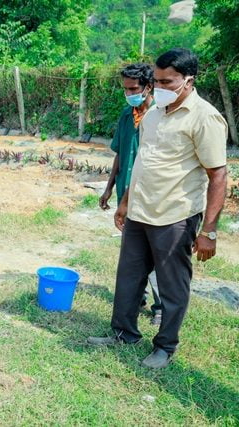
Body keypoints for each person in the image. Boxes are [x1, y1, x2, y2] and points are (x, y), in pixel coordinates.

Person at [88, 48, 228, 369]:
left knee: (171, 284)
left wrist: (209, 230)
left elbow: (217, 174)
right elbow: (141, 162)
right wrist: (124, 203)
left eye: (168, 81)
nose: (161, 87)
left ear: (188, 80)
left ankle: (164, 347)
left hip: (176, 215)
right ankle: (124, 333)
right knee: (129, 277)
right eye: (158, 80)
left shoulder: (204, 117)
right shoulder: (152, 114)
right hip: (139, 211)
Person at [99, 63, 163, 326]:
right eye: (125, 89)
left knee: (155, 251)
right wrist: (109, 187)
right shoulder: (128, 115)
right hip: (125, 193)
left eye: (133, 89)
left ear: (149, 87)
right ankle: (138, 298)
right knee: (132, 251)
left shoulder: (160, 116)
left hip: (150, 195)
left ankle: (161, 306)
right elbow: (119, 153)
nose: (128, 94)